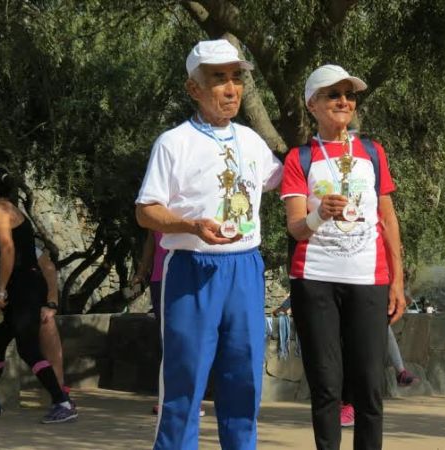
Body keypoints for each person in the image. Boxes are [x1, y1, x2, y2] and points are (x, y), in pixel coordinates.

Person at [135, 39, 282, 450]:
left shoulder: (252, 141)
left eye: (237, 78)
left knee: (244, 379)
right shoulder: (173, 142)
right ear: (193, 88)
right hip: (193, 269)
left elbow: (285, 181)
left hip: (246, 269)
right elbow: (146, 211)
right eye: (219, 79)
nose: (231, 89)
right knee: (185, 383)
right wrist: (190, 224)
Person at [281, 64, 406, 450]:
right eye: (333, 95)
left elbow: (387, 218)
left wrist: (397, 280)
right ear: (312, 104)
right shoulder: (299, 158)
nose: (343, 101)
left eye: (349, 95)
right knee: (326, 385)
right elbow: (296, 228)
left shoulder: (372, 152)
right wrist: (322, 214)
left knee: (369, 385)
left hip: (368, 279)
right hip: (314, 279)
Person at [0, 167, 77, 423]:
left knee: (28, 349)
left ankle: (62, 402)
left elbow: (8, 250)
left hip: (23, 287)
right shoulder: (12, 208)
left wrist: (1, 289)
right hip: (24, 285)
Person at [131, 230, 205, 417]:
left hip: (187, 277)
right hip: (160, 279)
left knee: (188, 339)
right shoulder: (157, 206)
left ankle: (192, 400)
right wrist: (141, 272)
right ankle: (168, 399)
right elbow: (151, 242)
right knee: (167, 339)